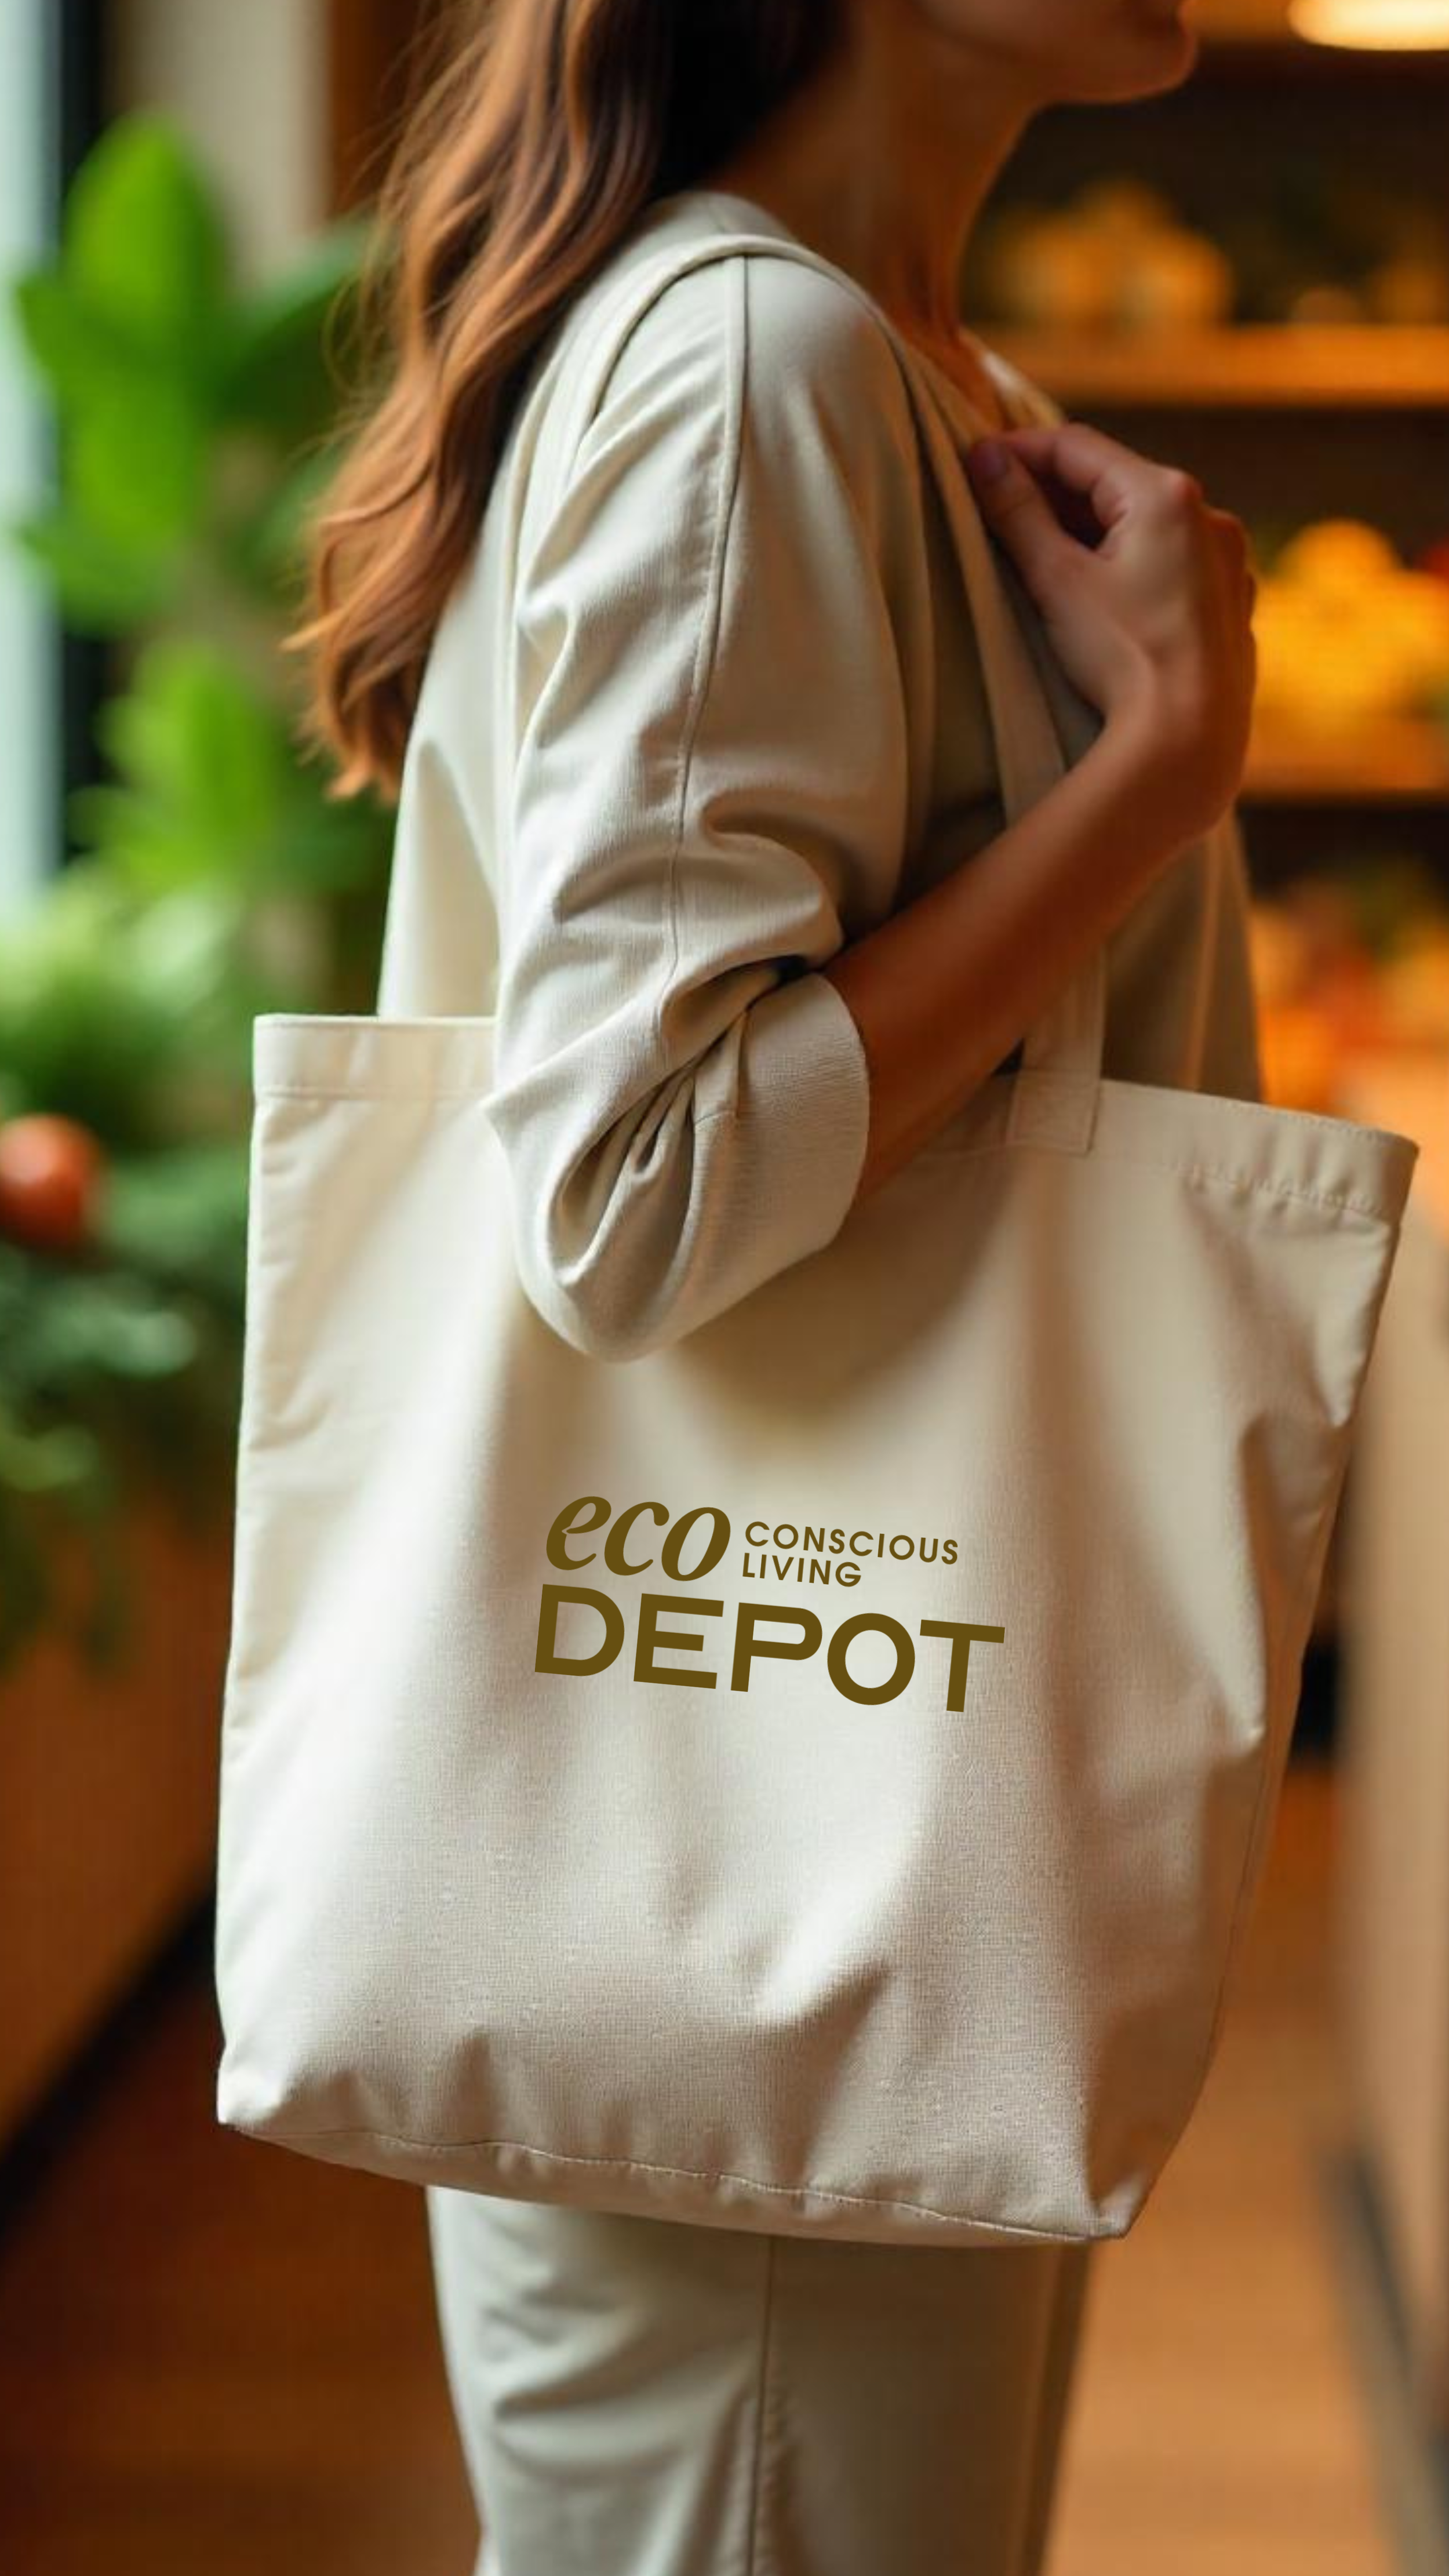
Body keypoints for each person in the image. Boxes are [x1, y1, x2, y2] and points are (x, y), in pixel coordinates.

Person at [295, 1, 1260, 2567]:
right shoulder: (761, 356)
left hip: (837, 1847)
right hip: (772, 1891)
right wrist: (1156, 775)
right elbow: (635, 1188)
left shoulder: (879, 354)